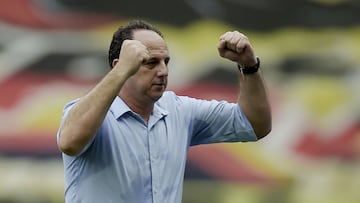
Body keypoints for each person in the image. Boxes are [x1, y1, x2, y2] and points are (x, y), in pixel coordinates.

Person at [57, 19, 272, 203]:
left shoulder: (179, 111)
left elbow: (254, 124)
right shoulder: (90, 113)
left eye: (165, 61)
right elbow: (69, 142)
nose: (163, 71)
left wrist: (249, 66)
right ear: (120, 66)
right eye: (150, 62)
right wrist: (122, 69)